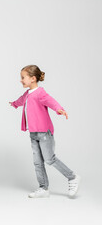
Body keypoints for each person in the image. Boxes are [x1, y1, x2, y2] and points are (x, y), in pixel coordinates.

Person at [9, 65, 80, 198]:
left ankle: (72, 177)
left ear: (33, 78)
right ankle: (43, 188)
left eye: (23, 77)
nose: (21, 80)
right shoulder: (27, 94)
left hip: (44, 132)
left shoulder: (40, 93)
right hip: (33, 133)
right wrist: (14, 104)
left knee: (50, 159)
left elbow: (51, 101)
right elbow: (20, 100)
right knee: (37, 162)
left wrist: (59, 109)